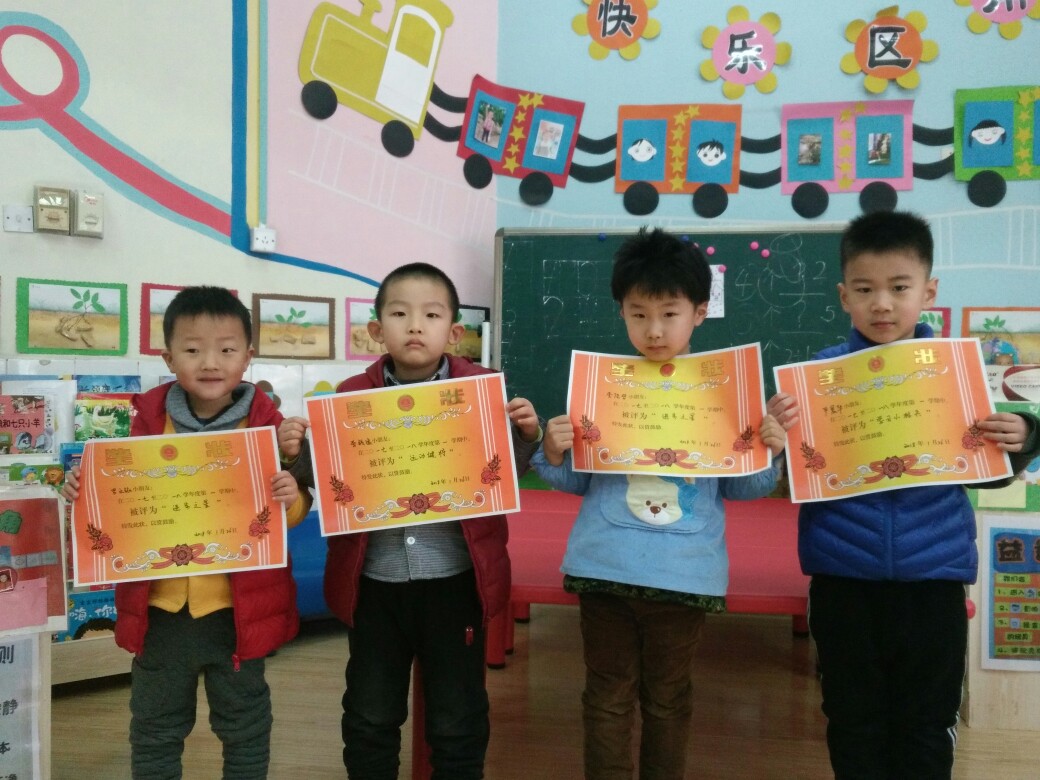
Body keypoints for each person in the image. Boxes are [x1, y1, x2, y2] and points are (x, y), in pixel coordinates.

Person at [771, 211, 1040, 779]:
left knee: (926, 724)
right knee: (852, 720)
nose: (882, 304)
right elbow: (789, 479)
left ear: (928, 292)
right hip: (843, 580)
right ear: (844, 296)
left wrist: (1024, 437)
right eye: (865, 289)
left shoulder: (955, 373)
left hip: (933, 583)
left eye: (899, 287)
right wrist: (777, 437)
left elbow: (986, 473)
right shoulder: (816, 379)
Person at [531, 227, 788, 780]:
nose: (653, 329)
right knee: (607, 697)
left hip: (684, 576)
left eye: (669, 314)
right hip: (603, 570)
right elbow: (576, 480)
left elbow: (742, 489)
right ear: (621, 312)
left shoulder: (726, 390)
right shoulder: (602, 386)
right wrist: (552, 450)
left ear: (699, 312)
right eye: (638, 314)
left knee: (668, 700)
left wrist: (769, 450)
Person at [278, 262, 542, 779]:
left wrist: (526, 435)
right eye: (400, 314)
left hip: (456, 582)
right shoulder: (348, 397)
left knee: (457, 719)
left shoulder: (483, 391)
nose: (415, 325)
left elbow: (505, 472)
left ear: (455, 333)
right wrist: (296, 454)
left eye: (431, 315)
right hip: (373, 586)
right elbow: (328, 481)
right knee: (370, 716)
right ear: (377, 330)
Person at [62, 286, 311, 780]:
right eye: (193, 349)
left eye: (227, 349)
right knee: (155, 728)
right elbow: (118, 501)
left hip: (237, 613)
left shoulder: (270, 430)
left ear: (247, 357)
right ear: (169, 358)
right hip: (161, 613)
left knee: (245, 726)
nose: (210, 362)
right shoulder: (146, 425)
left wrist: (290, 497)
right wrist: (82, 490)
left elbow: (294, 512)